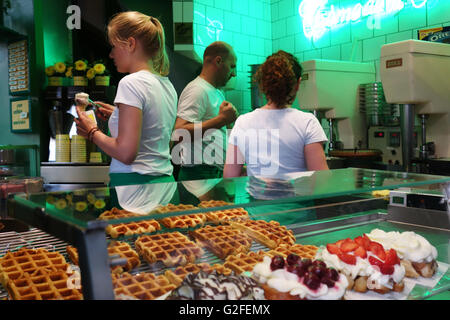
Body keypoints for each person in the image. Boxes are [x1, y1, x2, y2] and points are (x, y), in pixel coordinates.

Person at [75, 11, 178, 188]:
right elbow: (156, 135)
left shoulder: (130, 83)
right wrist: (119, 115)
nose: (111, 55)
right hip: (165, 184)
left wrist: (92, 132)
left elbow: (126, 153)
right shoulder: (166, 85)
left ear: (130, 44)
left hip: (134, 187)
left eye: (114, 46)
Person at [224, 50, 329, 178]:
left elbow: (230, 176)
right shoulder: (308, 122)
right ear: (297, 84)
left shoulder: (243, 122)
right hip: (298, 198)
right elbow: (321, 178)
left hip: (258, 198)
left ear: (263, 84)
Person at [172, 41, 238, 181]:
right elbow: (179, 132)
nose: (234, 74)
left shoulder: (217, 92)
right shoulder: (197, 90)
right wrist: (221, 120)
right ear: (218, 61)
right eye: (232, 66)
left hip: (212, 172)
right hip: (199, 174)